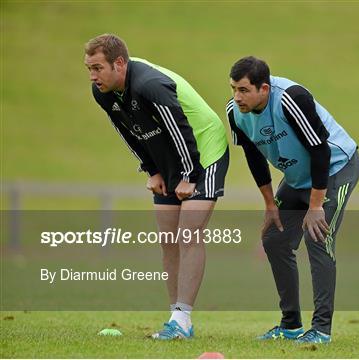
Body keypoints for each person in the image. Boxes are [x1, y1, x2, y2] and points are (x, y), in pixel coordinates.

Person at [84, 34, 229, 340]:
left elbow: (180, 128)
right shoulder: (104, 92)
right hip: (170, 154)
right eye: (89, 69)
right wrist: (152, 169)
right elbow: (129, 132)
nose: (93, 75)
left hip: (204, 149)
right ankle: (175, 317)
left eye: (97, 67)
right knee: (168, 238)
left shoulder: (149, 84)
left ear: (119, 63)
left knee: (189, 232)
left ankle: (183, 320)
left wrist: (189, 174)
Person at [227, 56, 359, 343]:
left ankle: (321, 330)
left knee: (317, 237)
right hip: (298, 176)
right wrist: (269, 204)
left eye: (243, 90)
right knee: (274, 239)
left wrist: (315, 207)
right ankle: (290, 326)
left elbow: (320, 152)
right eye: (233, 89)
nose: (237, 97)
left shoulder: (291, 99)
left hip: (336, 168)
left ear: (264, 88)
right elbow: (253, 156)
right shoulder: (236, 112)